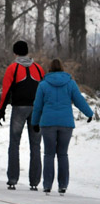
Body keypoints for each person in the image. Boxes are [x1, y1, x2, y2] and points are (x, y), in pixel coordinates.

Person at [31, 59, 93, 195]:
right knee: (63, 154)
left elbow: (38, 106)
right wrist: (89, 113)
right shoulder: (70, 83)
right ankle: (63, 186)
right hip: (66, 124)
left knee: (48, 154)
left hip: (48, 123)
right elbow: (79, 100)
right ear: (62, 68)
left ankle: (47, 185)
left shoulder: (43, 85)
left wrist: (34, 122)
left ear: (50, 69)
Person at [0, 40, 45, 190]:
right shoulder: (38, 69)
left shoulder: (13, 68)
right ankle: (35, 182)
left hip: (19, 108)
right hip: (37, 109)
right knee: (36, 146)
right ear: (27, 52)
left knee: (14, 144)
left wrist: (1, 110)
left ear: (15, 53)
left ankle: (12, 179)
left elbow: (6, 91)